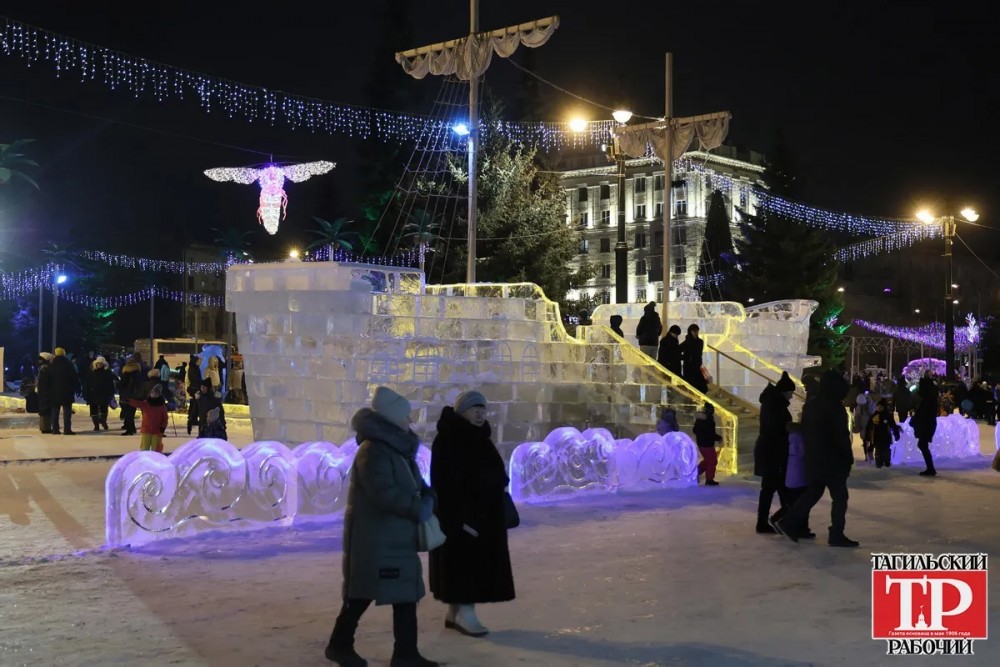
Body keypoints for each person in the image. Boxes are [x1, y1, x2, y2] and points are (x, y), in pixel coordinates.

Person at [325, 386, 439, 667]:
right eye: (406, 417)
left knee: (404, 596)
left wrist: (428, 495)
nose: (409, 422)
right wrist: (418, 507)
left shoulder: (396, 448)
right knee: (362, 594)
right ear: (391, 419)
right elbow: (384, 493)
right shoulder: (374, 450)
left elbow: (412, 483)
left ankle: (405, 654)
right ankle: (340, 645)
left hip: (395, 537)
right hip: (375, 539)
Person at [429, 391, 515, 638]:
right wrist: (461, 519)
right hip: (463, 518)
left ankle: (456, 612)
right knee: (463, 566)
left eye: (483, 409)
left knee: (470, 566)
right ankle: (465, 613)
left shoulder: (480, 437)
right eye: (474, 409)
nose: (480, 413)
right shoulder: (448, 439)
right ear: (461, 411)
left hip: (484, 515)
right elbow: (444, 483)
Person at [774, 370, 858, 547]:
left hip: (814, 458)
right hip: (833, 460)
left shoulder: (811, 405)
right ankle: (836, 533)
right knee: (840, 498)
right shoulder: (835, 408)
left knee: (813, 492)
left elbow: (807, 429)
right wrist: (847, 458)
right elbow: (840, 437)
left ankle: (789, 521)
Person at [754, 372, 795, 534]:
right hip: (773, 453)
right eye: (790, 393)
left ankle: (768, 521)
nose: (791, 397)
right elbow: (777, 430)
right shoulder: (776, 405)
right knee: (778, 489)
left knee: (771, 488)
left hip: (770, 452)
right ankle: (778, 520)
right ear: (784, 392)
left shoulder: (772, 403)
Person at [128, 384, 169, 452]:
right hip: (146, 430)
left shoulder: (162, 406)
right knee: (144, 448)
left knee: (156, 449)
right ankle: (145, 460)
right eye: (152, 393)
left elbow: (165, 419)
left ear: (158, 394)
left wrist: (162, 427)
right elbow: (138, 403)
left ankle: (155, 460)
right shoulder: (146, 403)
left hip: (157, 431)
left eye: (155, 393)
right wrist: (129, 401)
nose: (153, 394)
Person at [911, 377, 939, 477]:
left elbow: (924, 413)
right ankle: (930, 468)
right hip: (927, 424)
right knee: (923, 445)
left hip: (926, 425)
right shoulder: (930, 397)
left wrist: (916, 420)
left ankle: (931, 469)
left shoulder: (928, 398)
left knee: (922, 445)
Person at [48, 347, 79, 435]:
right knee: (67, 412)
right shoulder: (68, 365)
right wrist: (76, 388)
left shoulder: (51, 366)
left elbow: (48, 380)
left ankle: (55, 429)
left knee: (55, 412)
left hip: (54, 392)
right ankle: (67, 429)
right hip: (67, 392)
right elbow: (74, 378)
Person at [692, 402, 722, 486]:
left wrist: (700, 435)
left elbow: (694, 430)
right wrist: (719, 438)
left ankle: (696, 472)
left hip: (701, 444)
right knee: (712, 461)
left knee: (708, 460)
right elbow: (711, 434)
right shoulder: (710, 422)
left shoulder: (699, 420)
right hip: (707, 444)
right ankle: (709, 479)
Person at [867, 398, 899, 468]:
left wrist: (896, 434)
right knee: (878, 449)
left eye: (880, 407)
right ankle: (879, 461)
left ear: (883, 407)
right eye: (877, 406)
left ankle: (887, 461)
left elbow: (893, 425)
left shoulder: (887, 415)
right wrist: (868, 437)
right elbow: (869, 427)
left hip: (886, 436)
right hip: (876, 436)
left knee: (886, 449)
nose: (878, 408)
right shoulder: (874, 416)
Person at [87, 356, 116, 431]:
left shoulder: (107, 372)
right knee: (93, 411)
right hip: (93, 394)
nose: (99, 365)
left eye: (101, 364)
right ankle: (96, 425)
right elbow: (87, 383)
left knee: (104, 409)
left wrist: (111, 393)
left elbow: (111, 383)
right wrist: (87, 393)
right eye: (98, 363)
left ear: (104, 364)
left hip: (104, 393)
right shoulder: (92, 372)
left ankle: (103, 422)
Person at [118, 355, 143, 436]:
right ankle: (132, 428)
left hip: (126, 395)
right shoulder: (138, 373)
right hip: (135, 395)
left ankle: (130, 429)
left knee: (127, 413)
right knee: (131, 412)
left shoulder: (126, 373)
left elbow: (121, 384)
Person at [681, 324, 708, 393]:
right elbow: (679, 350)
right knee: (690, 384)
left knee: (699, 385)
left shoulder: (699, 342)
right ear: (691, 331)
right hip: (689, 366)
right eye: (694, 331)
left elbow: (696, 352)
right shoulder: (687, 342)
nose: (696, 333)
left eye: (697, 331)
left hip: (696, 366)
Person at [35, 353, 54, 434]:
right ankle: (45, 428)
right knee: (46, 409)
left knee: (43, 409)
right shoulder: (45, 369)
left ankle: (44, 427)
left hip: (42, 392)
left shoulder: (41, 368)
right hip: (46, 392)